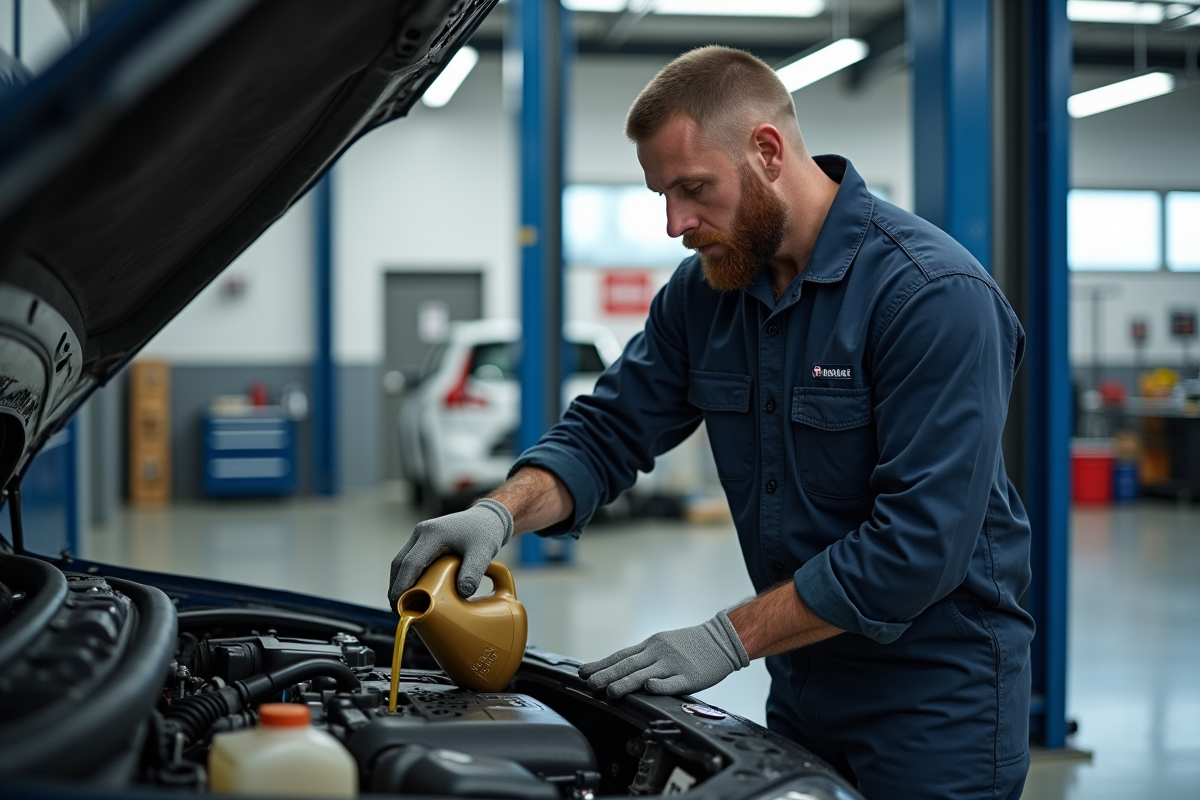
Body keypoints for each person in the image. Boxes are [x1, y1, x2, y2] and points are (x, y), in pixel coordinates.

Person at [389, 46, 1034, 800]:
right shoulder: (707, 295)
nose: (674, 224)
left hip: (938, 700)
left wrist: (730, 638)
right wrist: (500, 511)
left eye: (693, 189)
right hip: (802, 678)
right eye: (662, 194)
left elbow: (919, 547)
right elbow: (608, 430)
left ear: (765, 151)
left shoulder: (931, 296)